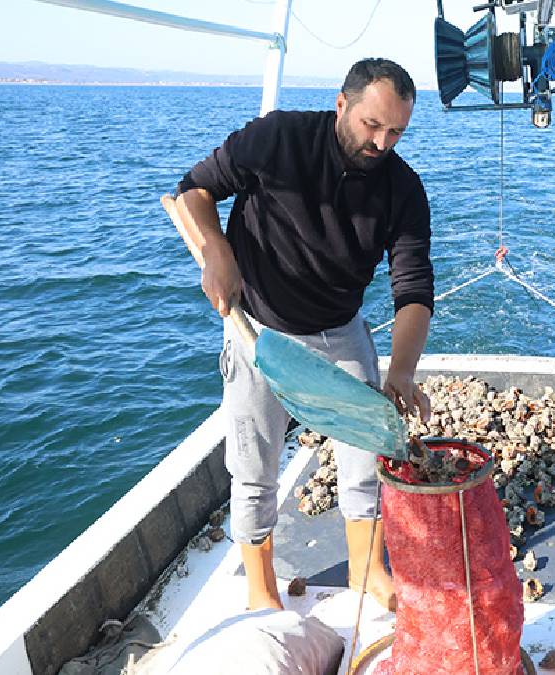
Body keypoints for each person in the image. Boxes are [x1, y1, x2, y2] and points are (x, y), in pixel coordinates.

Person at [172, 58, 434, 612]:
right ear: (342, 104)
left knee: (370, 457)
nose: (382, 143)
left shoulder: (403, 189)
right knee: (253, 467)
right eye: (372, 125)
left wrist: (403, 370)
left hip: (341, 332)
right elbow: (195, 190)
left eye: (396, 132)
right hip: (258, 332)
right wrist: (217, 253)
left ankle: (365, 568)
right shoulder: (279, 137)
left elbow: (412, 290)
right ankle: (261, 589)